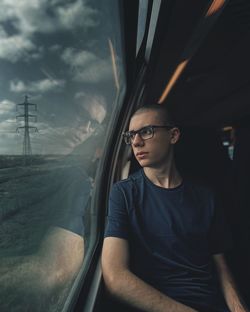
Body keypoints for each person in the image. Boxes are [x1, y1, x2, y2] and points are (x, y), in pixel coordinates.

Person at [101, 104, 249, 312]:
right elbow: (115, 278)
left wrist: (239, 307)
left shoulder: (206, 196)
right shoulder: (124, 193)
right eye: (131, 135)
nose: (136, 142)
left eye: (146, 131)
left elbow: (221, 266)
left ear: (173, 135)